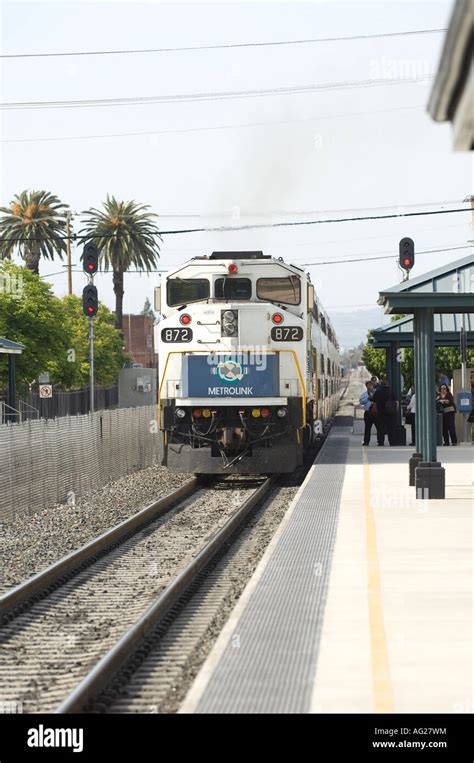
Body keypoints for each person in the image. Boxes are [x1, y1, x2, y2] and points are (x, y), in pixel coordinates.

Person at [373, 379, 398, 446]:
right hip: (390, 413)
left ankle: (381, 442)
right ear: (387, 384)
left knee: (380, 429)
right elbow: (396, 402)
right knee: (391, 428)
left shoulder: (377, 392)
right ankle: (392, 442)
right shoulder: (391, 392)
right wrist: (396, 410)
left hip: (380, 413)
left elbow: (374, 403)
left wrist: (375, 411)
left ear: (381, 385)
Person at [359, 381, 376, 446]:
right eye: (368, 385)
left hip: (376, 412)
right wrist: (368, 399)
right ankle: (366, 442)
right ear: (366, 386)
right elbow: (361, 401)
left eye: (370, 385)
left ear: (372, 386)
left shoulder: (376, 392)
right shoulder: (364, 394)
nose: (369, 387)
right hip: (368, 413)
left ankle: (380, 442)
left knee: (379, 427)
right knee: (367, 428)